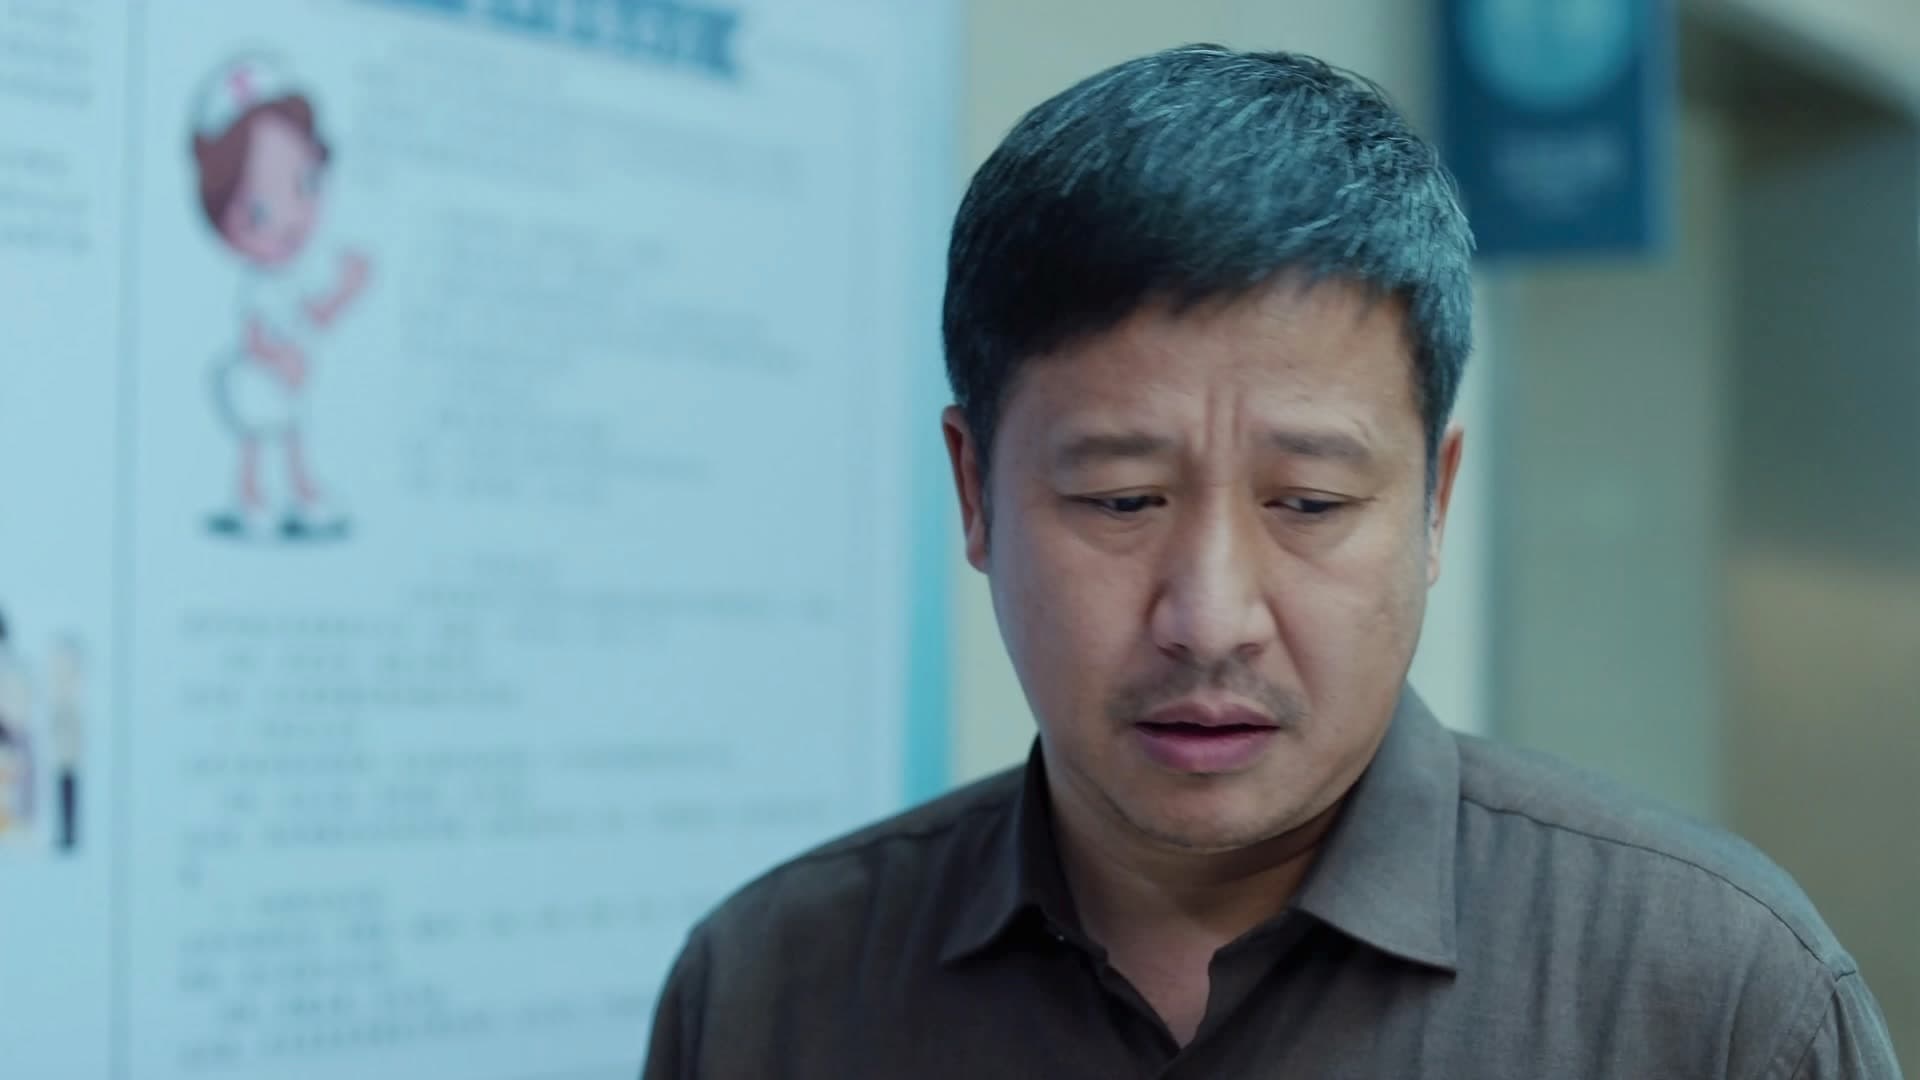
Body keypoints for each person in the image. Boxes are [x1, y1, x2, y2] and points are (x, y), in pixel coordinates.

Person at [642, 46, 1903, 1078]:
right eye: (1121, 499)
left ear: (1434, 502)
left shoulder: (1715, 999)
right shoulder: (768, 990)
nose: (1210, 617)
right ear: (975, 492)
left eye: (1309, 502)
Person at [190, 54, 371, 541]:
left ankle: (302, 497)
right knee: (259, 439)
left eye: (305, 186)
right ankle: (253, 499)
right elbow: (254, 335)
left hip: (286, 379)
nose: (290, 220)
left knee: (290, 436)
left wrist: (349, 289)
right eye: (259, 209)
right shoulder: (260, 285)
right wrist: (280, 359)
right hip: (262, 377)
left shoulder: (292, 279)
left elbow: (316, 316)